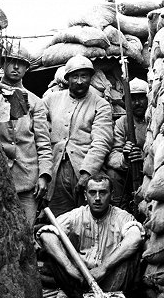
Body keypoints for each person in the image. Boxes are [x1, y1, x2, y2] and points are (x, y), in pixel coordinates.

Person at [36, 174, 145, 298]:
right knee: (53, 250)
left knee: (132, 254)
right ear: (85, 195)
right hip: (79, 281)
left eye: (103, 192)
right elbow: (46, 235)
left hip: (110, 283)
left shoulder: (121, 216)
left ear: (111, 195)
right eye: (93, 193)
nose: (98, 198)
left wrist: (104, 268)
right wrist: (69, 267)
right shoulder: (76, 215)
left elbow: (135, 237)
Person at [42, 55, 113, 216]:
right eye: (75, 76)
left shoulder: (100, 104)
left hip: (83, 168)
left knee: (87, 217)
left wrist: (87, 173)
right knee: (59, 219)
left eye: (84, 76)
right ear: (67, 78)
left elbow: (102, 141)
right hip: (56, 168)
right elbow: (38, 128)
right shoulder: (51, 100)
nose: (80, 81)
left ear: (91, 78)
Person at [0, 43, 53, 224]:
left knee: (26, 232)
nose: (16, 67)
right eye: (11, 62)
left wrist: (44, 175)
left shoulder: (35, 102)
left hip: (27, 180)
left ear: (27, 68)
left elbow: (43, 142)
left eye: (21, 63)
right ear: (3, 64)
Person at [106, 78, 148, 208]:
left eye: (141, 98)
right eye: (132, 99)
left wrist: (145, 157)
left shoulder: (154, 118)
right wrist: (124, 158)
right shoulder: (122, 123)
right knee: (112, 175)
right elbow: (113, 155)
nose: (137, 103)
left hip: (151, 169)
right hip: (130, 173)